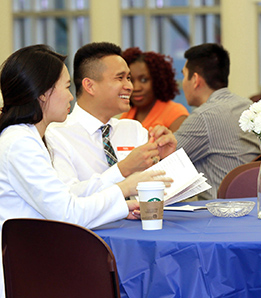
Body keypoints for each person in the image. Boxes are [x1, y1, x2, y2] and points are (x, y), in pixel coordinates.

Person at [0, 45, 170, 298]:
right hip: (31, 270)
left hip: (40, 259)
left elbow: (69, 195)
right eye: (66, 87)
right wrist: (123, 187)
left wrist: (121, 198)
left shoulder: (32, 138)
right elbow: (67, 214)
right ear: (43, 94)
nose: (71, 96)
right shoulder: (20, 142)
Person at [45, 42, 177, 191]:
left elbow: (163, 192)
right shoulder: (56, 135)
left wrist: (166, 160)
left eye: (128, 78)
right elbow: (67, 197)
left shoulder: (133, 129)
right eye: (119, 78)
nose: (130, 86)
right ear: (90, 86)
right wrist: (122, 170)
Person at [174, 43, 260, 199]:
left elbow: (164, 161)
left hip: (219, 213)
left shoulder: (203, 117)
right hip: (252, 202)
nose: (183, 83)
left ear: (195, 80)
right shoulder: (248, 105)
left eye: (184, 75)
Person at [120, 47, 189, 132]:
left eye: (144, 80)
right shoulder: (127, 115)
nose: (136, 88)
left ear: (157, 81)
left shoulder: (175, 114)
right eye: (131, 80)